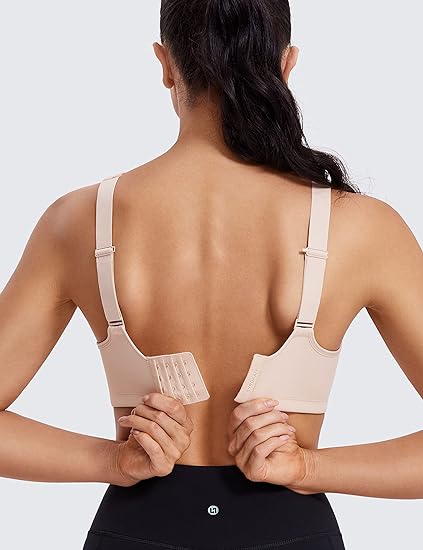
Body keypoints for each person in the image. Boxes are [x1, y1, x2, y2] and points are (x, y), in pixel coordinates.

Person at [0, 1, 422, 549]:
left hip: (134, 531)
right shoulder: (360, 227)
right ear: (286, 65)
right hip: (291, 533)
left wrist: (113, 461)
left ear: (166, 64)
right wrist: (307, 468)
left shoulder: (79, 221)